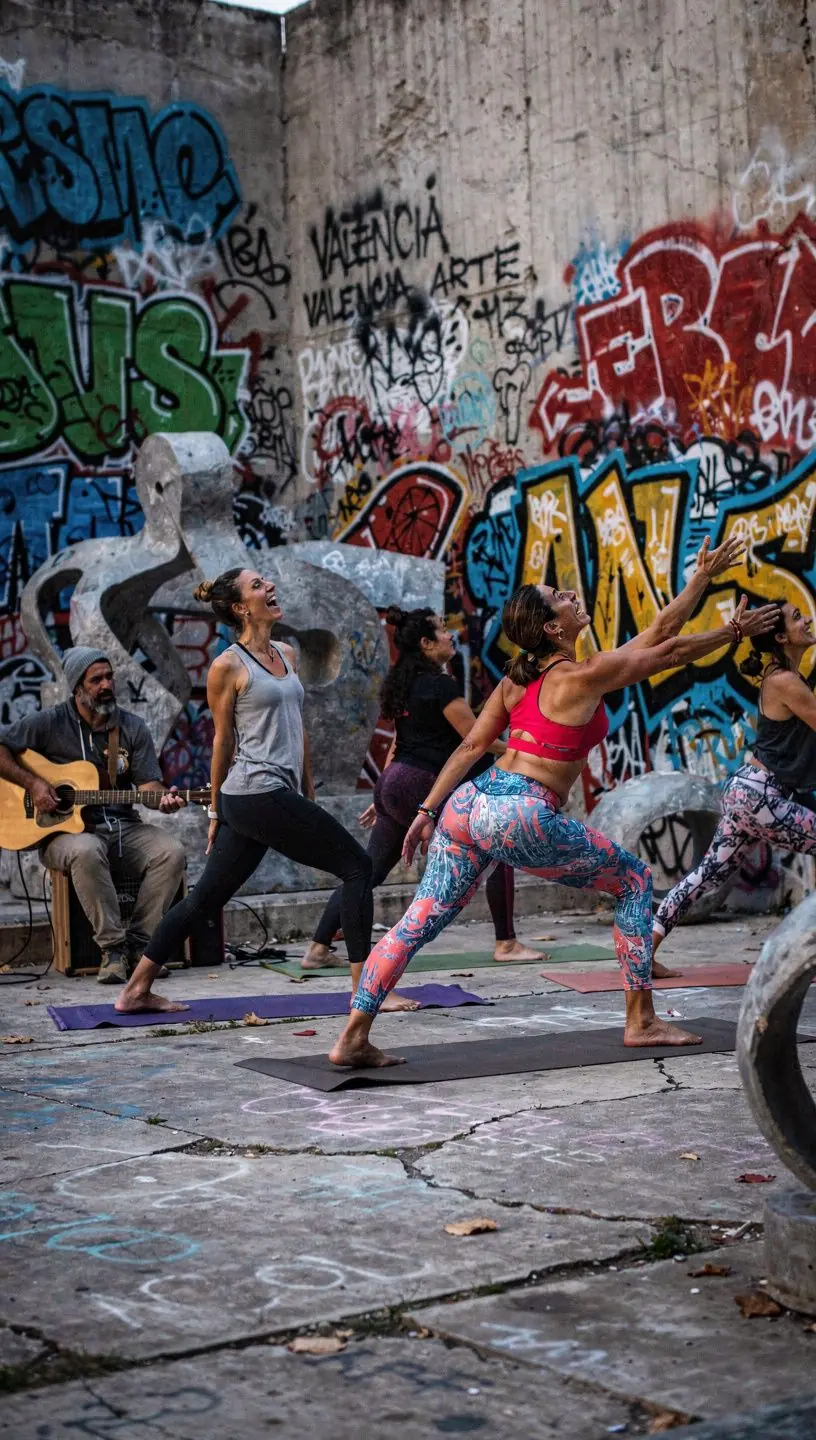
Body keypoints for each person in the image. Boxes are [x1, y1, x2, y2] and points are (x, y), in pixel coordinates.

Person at [327, 539, 780, 1068]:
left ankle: (353, 1037)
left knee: (416, 923)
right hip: (520, 810)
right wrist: (731, 632)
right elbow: (671, 653)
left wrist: (428, 811)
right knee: (634, 881)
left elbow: (656, 635)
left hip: (469, 805)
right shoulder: (582, 676)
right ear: (553, 627)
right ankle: (641, 1020)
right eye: (557, 596)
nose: (569, 594)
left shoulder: (520, 681)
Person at [115, 568, 375, 1015]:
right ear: (239, 607)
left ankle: (135, 990)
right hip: (252, 792)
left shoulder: (287, 653)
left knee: (205, 899)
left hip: (276, 793)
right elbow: (222, 742)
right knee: (357, 868)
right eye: (258, 586)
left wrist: (307, 790)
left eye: (266, 582)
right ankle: (366, 996)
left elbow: (299, 727)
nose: (269, 587)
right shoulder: (227, 666)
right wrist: (216, 813)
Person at [301, 606, 544, 988]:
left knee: (369, 869)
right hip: (422, 784)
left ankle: (317, 946)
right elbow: (474, 740)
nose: (452, 637)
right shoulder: (442, 685)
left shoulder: (403, 683)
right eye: (443, 632)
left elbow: (400, 743)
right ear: (427, 644)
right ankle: (506, 942)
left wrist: (384, 790)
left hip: (397, 782)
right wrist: (525, 748)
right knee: (499, 848)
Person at [0, 647, 186, 983]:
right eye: (96, 679)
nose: (106, 685)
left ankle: (141, 948)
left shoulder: (131, 727)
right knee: (87, 849)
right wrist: (35, 785)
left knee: (171, 853)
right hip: (61, 835)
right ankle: (112, 949)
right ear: (77, 688)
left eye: (109, 677)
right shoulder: (48, 723)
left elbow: (150, 785)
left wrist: (165, 800)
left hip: (123, 826)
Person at [653, 599, 816, 953]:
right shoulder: (785, 681)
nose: (807, 622)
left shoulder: (786, 678)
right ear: (782, 639)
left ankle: (643, 949)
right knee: (707, 875)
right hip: (761, 796)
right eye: (797, 618)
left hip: (748, 792)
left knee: (707, 874)